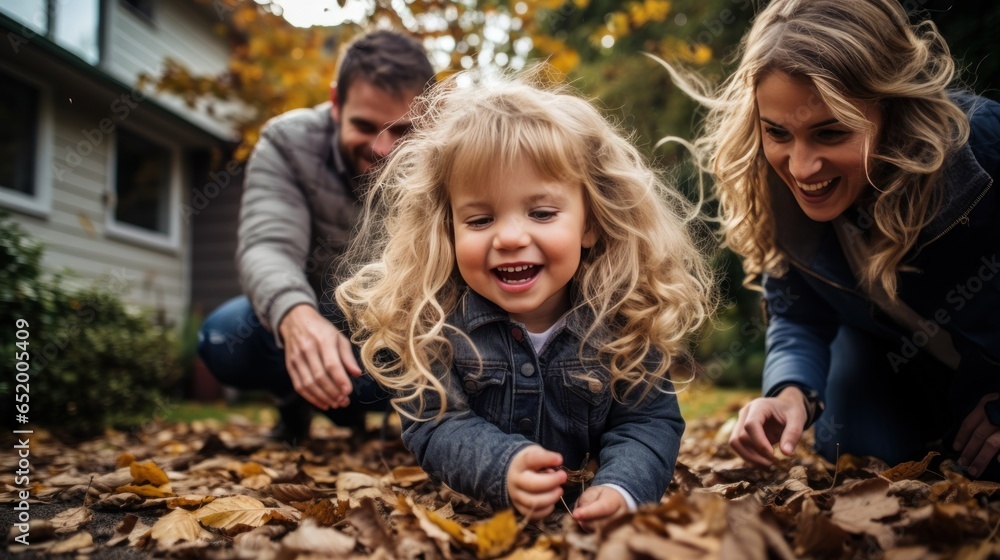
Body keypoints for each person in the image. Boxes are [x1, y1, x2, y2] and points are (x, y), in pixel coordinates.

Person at [335, 71, 716, 528]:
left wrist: (623, 488)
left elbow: (647, 423)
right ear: (448, 230)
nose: (511, 237)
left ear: (590, 223)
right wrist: (503, 465)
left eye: (541, 213)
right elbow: (434, 424)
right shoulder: (437, 323)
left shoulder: (623, 320)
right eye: (479, 220)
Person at [668, 0, 1000, 477]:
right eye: (777, 132)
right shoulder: (775, 193)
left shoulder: (982, 154)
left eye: (831, 133)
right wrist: (789, 392)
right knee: (858, 453)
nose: (801, 169)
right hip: (888, 367)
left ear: (892, 110)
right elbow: (797, 313)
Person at [197, 30, 437, 445]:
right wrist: (297, 320)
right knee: (224, 337)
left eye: (400, 131)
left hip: (404, 324)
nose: (383, 149)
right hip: (316, 304)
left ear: (429, 118)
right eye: (364, 125)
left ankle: (408, 418)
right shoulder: (286, 142)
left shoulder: (446, 153)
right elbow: (266, 246)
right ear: (335, 103)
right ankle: (295, 399)